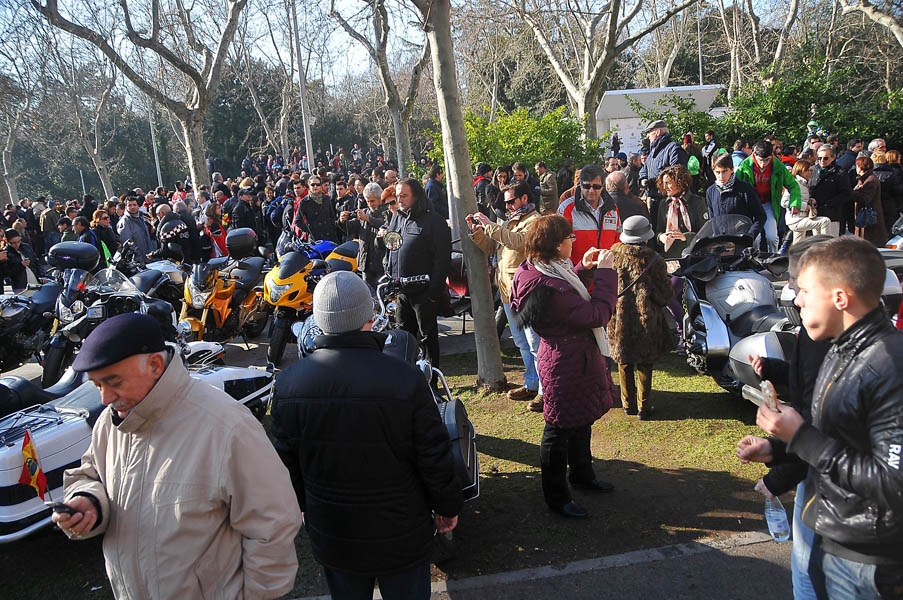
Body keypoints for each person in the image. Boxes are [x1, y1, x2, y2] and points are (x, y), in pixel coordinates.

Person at [50, 313, 301, 599]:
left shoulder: (227, 427)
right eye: (97, 385)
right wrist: (89, 500)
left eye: (114, 382)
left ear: (155, 365)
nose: (105, 398)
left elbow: (273, 526)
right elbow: (89, 473)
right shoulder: (111, 422)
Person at [269, 271, 461, 600]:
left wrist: (301, 505)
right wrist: (447, 506)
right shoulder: (404, 377)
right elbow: (433, 453)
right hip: (402, 531)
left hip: (334, 531)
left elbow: (286, 463)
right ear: (369, 318)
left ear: (319, 320)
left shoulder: (289, 384)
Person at [743, 237, 903, 599]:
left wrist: (800, 438)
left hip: (873, 564)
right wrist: (777, 448)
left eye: (805, 290)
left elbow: (893, 483)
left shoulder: (889, 365)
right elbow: (841, 438)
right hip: (841, 543)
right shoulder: (840, 349)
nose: (796, 299)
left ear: (840, 298)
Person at [737, 234, 833, 600]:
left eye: (798, 285)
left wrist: (780, 472)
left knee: (811, 576)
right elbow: (805, 385)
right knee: (806, 570)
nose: (792, 295)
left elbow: (827, 431)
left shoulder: (867, 360)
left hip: (829, 492)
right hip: (813, 473)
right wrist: (774, 370)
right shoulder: (813, 331)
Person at [509, 215, 617, 518]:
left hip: (570, 357)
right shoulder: (547, 284)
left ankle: (582, 475)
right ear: (557, 245)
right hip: (566, 362)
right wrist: (606, 274)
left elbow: (566, 299)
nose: (573, 241)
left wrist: (582, 268)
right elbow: (596, 314)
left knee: (580, 420)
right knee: (558, 429)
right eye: (570, 237)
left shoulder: (537, 269)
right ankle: (557, 497)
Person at [468, 180, 542, 407]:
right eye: (505, 202)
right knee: (522, 342)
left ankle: (545, 390)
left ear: (525, 199)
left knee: (535, 344)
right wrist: (478, 233)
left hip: (527, 292)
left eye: (511, 201)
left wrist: (490, 225)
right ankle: (532, 384)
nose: (507, 206)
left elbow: (520, 243)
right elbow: (494, 247)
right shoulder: (511, 220)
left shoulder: (535, 221)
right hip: (509, 290)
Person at [609, 215, 673, 419]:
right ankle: (644, 407)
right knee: (645, 362)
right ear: (646, 237)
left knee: (624, 360)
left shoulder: (612, 256)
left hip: (618, 318)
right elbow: (664, 295)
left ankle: (627, 404)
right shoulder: (653, 260)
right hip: (647, 318)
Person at [384, 178, 451, 369]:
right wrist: (389, 272)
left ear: (416, 196)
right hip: (401, 291)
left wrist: (433, 293)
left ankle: (432, 380)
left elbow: (442, 260)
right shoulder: (397, 218)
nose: (400, 200)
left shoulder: (434, 222)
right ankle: (408, 376)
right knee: (403, 338)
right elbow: (391, 247)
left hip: (424, 292)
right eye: (398, 196)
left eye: (404, 196)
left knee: (428, 338)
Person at [654, 165, 708, 348]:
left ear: (681, 182)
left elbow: (705, 232)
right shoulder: (664, 204)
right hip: (669, 259)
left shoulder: (697, 202)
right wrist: (661, 237)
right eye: (664, 183)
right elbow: (657, 230)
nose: (666, 187)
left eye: (669, 183)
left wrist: (686, 236)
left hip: (690, 258)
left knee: (670, 294)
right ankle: (684, 334)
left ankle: (684, 332)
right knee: (672, 297)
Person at [736, 140, 801, 253]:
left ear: (771, 155)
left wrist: (795, 203)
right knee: (754, 238)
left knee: (772, 238)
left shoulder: (778, 166)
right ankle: (753, 259)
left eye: (767, 160)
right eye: (760, 160)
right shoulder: (744, 166)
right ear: (754, 154)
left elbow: (793, 186)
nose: (763, 164)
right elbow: (736, 187)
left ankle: (774, 259)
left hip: (768, 204)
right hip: (750, 206)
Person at [558, 164, 621, 265]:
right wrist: (572, 269)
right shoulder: (566, 208)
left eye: (596, 187)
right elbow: (558, 243)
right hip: (577, 270)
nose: (591, 191)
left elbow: (618, 238)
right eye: (587, 186)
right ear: (580, 185)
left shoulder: (612, 208)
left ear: (603, 186)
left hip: (606, 268)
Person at [706, 153, 767, 242]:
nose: (721, 176)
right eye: (717, 172)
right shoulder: (710, 192)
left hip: (742, 240)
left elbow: (761, 216)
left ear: (732, 170)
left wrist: (750, 235)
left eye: (724, 171)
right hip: (721, 242)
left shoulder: (745, 188)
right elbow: (712, 220)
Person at [342, 182, 389, 289]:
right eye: (368, 201)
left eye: (372, 201)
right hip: (365, 263)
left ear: (380, 199)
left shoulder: (386, 212)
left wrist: (368, 219)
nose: (370, 204)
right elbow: (350, 229)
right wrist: (343, 221)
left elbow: (385, 225)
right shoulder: (364, 212)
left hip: (381, 265)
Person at [638, 120, 689, 215]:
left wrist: (655, 181)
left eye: (649, 133)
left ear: (657, 132)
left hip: (669, 201)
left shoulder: (673, 149)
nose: (648, 137)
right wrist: (643, 179)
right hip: (654, 200)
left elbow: (677, 175)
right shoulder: (652, 153)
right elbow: (644, 169)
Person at [783, 159, 832, 244]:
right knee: (825, 221)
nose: (809, 173)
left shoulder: (804, 183)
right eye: (806, 170)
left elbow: (800, 198)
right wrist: (805, 206)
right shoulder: (794, 183)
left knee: (798, 244)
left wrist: (809, 200)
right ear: (799, 171)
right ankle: (825, 247)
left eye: (810, 170)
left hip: (800, 218)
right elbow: (785, 202)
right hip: (795, 220)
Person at [809, 145, 853, 237]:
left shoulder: (840, 173)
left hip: (831, 215)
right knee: (815, 242)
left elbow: (846, 194)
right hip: (814, 214)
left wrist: (828, 203)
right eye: (819, 158)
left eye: (825, 158)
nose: (822, 160)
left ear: (832, 158)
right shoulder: (813, 170)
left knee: (830, 242)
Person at [852, 156, 888, 246]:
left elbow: (865, 199)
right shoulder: (864, 178)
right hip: (867, 215)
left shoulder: (870, 180)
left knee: (868, 243)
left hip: (869, 216)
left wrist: (854, 192)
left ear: (860, 167)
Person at [294, 176, 340, 243]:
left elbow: (332, 216)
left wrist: (331, 227)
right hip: (315, 238)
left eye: (318, 184)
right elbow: (297, 221)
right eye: (313, 185)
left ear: (320, 186)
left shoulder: (326, 199)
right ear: (309, 186)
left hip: (329, 236)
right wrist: (309, 230)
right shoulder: (304, 202)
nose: (315, 187)